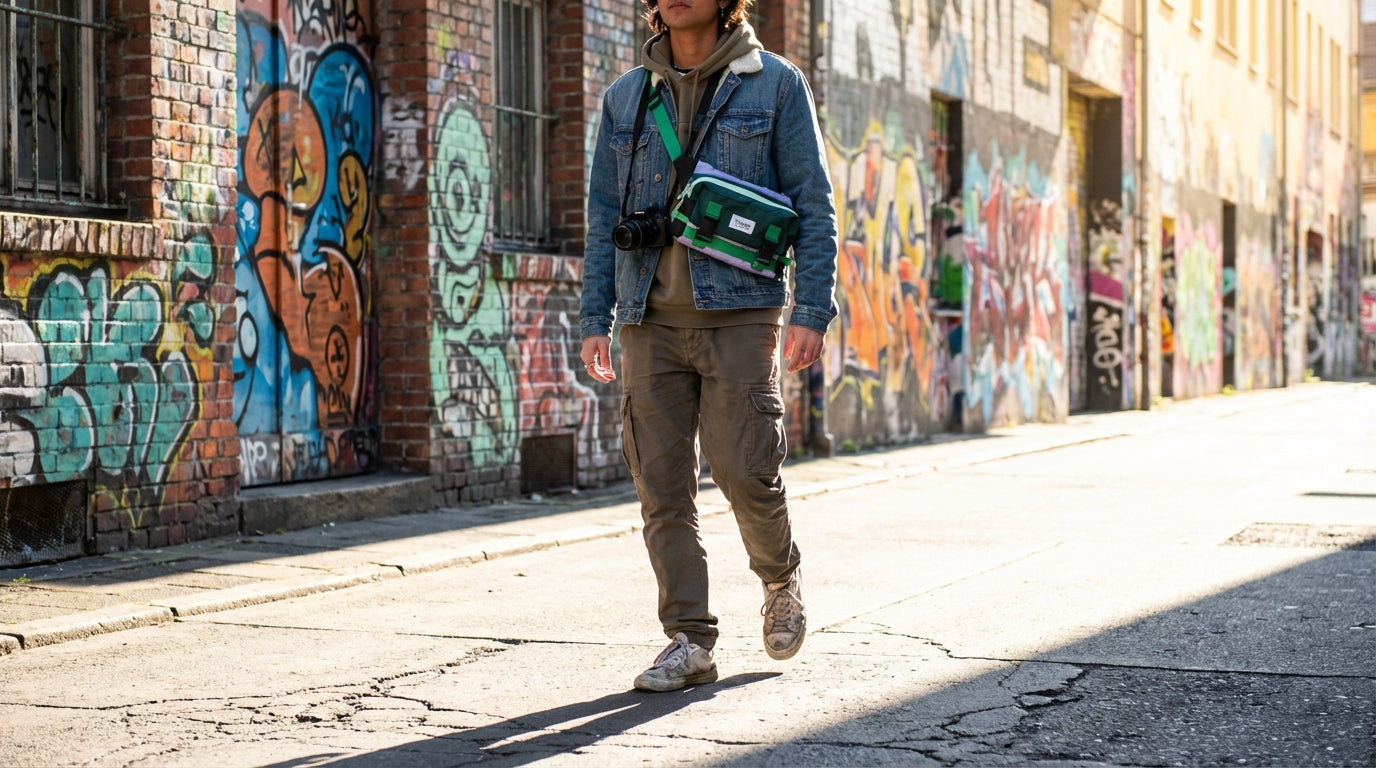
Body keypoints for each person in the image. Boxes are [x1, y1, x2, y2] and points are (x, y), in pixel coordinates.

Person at [579, 0, 838, 692]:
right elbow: (603, 212)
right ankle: (689, 638)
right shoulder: (627, 97)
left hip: (739, 312)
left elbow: (814, 202)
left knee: (745, 469)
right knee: (660, 485)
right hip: (647, 319)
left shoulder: (774, 83)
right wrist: (593, 316)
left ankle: (780, 576)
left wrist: (813, 308)